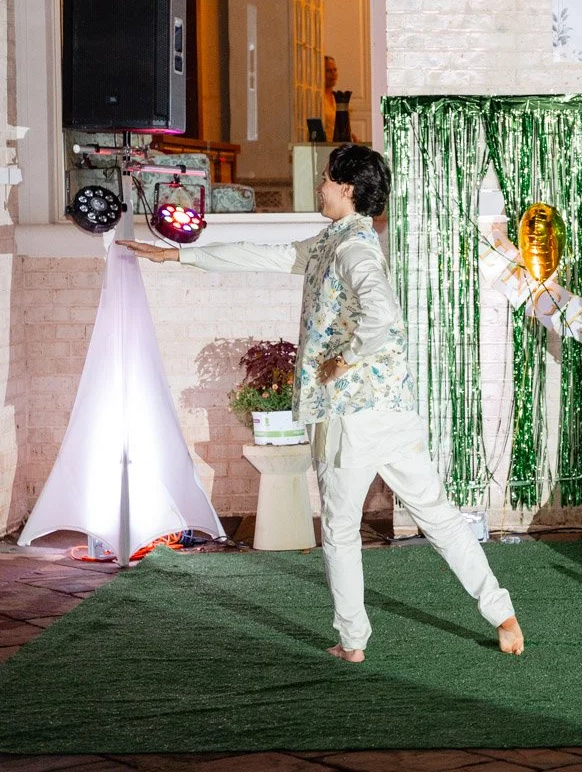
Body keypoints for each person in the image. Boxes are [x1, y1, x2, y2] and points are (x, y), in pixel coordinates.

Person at [121, 145, 524, 662]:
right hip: (390, 410)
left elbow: (382, 315)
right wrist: (180, 255)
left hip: (350, 419)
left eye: (328, 179)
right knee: (439, 517)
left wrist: (345, 360)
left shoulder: (352, 249)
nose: (321, 186)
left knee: (339, 530)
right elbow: (267, 257)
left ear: (348, 189)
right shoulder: (337, 241)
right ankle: (502, 615)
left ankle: (353, 642)